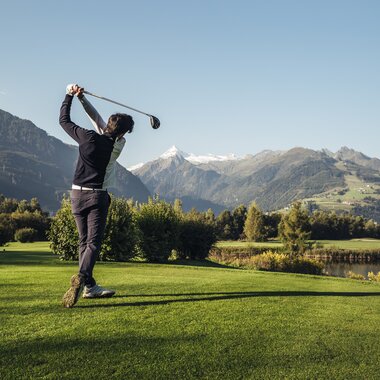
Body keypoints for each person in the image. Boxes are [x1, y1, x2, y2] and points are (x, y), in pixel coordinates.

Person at [60, 84, 134, 308]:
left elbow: (64, 120)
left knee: (84, 242)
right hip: (97, 197)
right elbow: (100, 121)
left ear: (108, 125)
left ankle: (90, 287)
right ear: (122, 132)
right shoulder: (118, 144)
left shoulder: (87, 137)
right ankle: (82, 277)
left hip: (76, 196)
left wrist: (71, 95)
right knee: (93, 242)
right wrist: (81, 98)